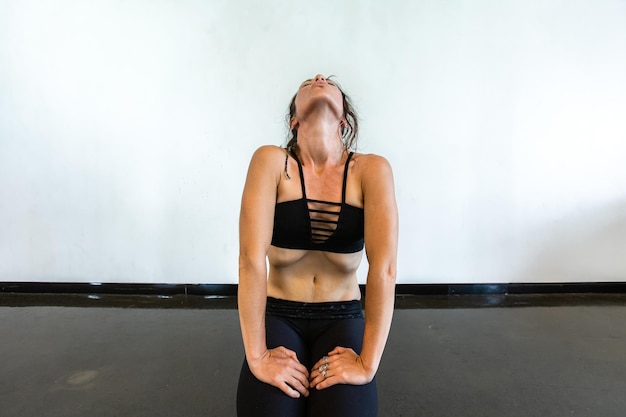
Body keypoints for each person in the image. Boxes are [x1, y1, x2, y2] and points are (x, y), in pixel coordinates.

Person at [236, 74, 398, 417]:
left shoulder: (370, 170)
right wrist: (258, 357)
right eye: (308, 81)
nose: (319, 78)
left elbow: (383, 269)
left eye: (328, 82)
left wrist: (367, 364)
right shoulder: (271, 162)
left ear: (344, 119)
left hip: (341, 316)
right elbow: (250, 260)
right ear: (295, 119)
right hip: (280, 313)